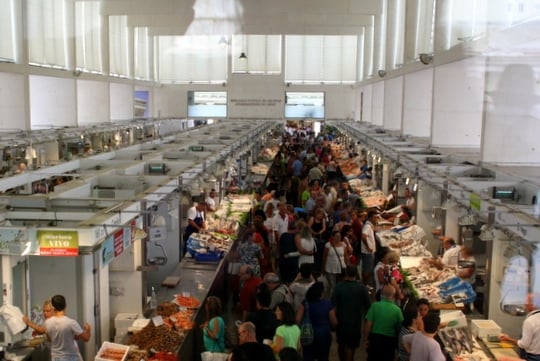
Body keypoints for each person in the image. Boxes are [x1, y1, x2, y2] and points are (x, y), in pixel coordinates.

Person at [331, 265, 371, 361]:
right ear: (356, 274)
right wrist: (367, 323)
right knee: (351, 347)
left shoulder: (338, 287)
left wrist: (334, 321)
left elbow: (332, 306)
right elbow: (368, 308)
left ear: (346, 273)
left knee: (341, 345)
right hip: (355, 324)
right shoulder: (362, 288)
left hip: (341, 323)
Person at [296, 282, 336, 361]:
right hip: (324, 335)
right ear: (321, 293)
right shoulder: (328, 304)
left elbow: (297, 320)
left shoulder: (305, 303)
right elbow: (334, 322)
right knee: (323, 357)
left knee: (308, 357)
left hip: (307, 334)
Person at [44, 295, 91, 361]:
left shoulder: (47, 323)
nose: (45, 313)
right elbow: (86, 338)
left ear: (53, 308)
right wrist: (88, 329)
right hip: (70, 358)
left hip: (55, 358)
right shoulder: (71, 323)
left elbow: (50, 338)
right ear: (65, 306)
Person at [364, 285, 404, 361]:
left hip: (375, 339)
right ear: (394, 296)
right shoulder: (397, 310)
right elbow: (399, 328)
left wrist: (365, 339)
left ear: (382, 294)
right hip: (389, 341)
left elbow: (368, 324)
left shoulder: (375, 306)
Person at [499, 293, 540, 361]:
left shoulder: (530, 321)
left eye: (527, 301)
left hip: (532, 357)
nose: (525, 304)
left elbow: (524, 344)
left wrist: (508, 339)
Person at [322, 230, 349, 298]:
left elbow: (346, 256)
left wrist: (348, 265)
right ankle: (332, 298)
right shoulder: (328, 245)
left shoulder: (343, 245)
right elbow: (324, 257)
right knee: (332, 284)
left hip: (341, 267)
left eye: (339, 236)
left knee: (341, 283)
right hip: (330, 266)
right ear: (333, 236)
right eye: (337, 236)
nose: (338, 238)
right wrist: (323, 268)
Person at [361, 211, 378, 287]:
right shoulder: (367, 226)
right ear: (370, 218)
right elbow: (363, 236)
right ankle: (365, 285)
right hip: (368, 252)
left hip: (369, 251)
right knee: (367, 270)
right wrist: (368, 247)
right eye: (374, 217)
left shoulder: (369, 225)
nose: (376, 219)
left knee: (367, 269)